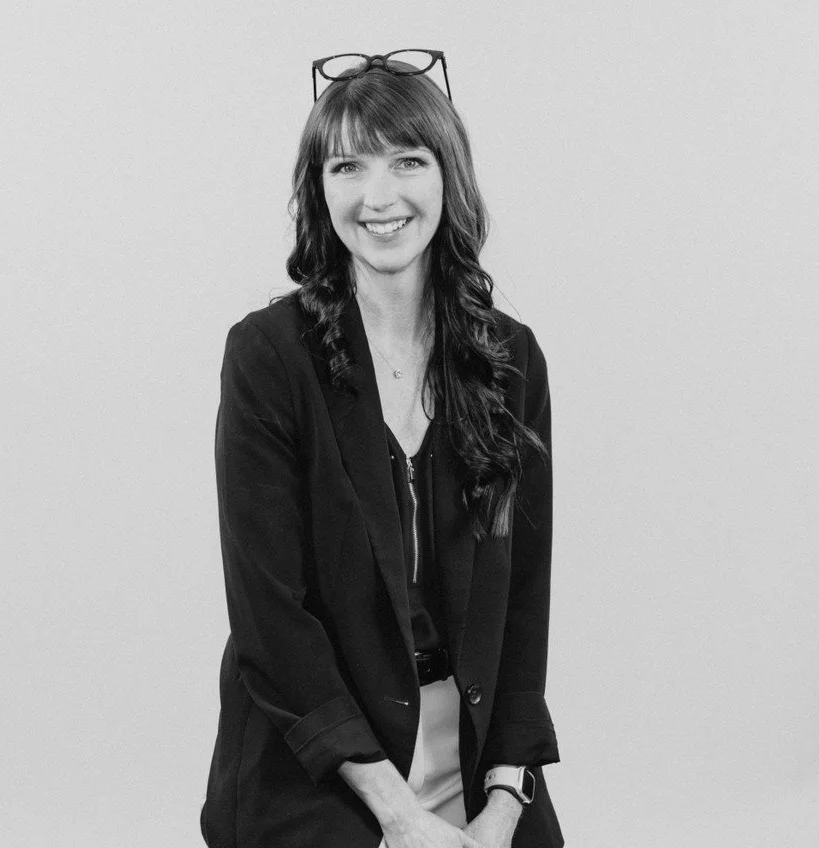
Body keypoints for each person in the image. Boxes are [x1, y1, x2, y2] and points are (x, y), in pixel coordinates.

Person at [201, 50, 563, 848]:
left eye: (407, 161)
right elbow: (270, 616)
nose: (378, 195)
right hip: (323, 760)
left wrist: (505, 799)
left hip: (471, 751)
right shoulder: (269, 356)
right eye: (347, 166)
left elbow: (522, 600)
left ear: (447, 176)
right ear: (318, 189)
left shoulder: (510, 360)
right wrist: (399, 818)